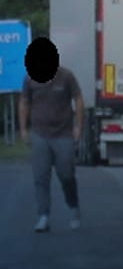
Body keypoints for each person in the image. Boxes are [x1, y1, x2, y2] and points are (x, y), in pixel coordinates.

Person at [18, 37, 82, 232]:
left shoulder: (66, 76)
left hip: (63, 134)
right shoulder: (30, 79)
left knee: (66, 174)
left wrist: (78, 126)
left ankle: (73, 207)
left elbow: (78, 100)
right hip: (40, 133)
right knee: (40, 176)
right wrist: (23, 128)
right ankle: (43, 216)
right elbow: (24, 102)